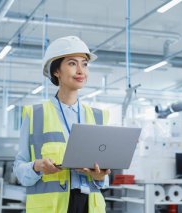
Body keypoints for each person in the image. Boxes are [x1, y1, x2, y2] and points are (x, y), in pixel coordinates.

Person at [14, 36, 111, 213]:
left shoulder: (98, 117)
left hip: (90, 205)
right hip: (52, 207)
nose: (81, 70)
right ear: (56, 71)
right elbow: (20, 170)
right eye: (73, 63)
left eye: (85, 64)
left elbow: (104, 178)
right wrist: (37, 167)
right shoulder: (35, 114)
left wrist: (99, 176)